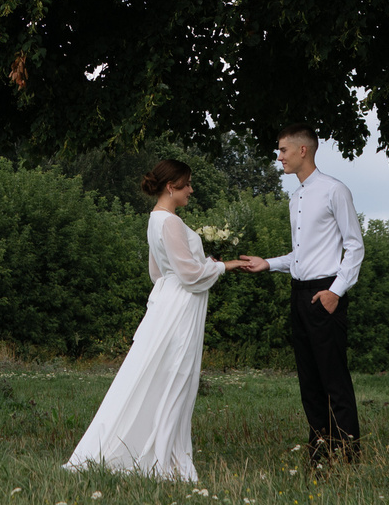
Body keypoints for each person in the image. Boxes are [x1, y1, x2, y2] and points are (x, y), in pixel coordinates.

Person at [63, 158, 225, 482]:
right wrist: (223, 266)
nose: (191, 189)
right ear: (171, 186)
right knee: (174, 378)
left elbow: (157, 272)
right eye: (188, 183)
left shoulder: (155, 220)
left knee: (152, 374)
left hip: (166, 301)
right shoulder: (171, 223)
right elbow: (190, 275)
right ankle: (162, 458)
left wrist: (199, 266)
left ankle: (135, 444)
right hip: (180, 306)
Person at [231, 126, 364, 463]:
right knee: (309, 382)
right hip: (299, 295)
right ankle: (319, 456)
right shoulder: (295, 198)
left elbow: (355, 247)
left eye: (283, 151)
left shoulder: (335, 190)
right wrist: (268, 264)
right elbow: (301, 257)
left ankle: (348, 456)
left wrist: (335, 292)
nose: (279, 158)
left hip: (325, 294)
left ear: (303, 150)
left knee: (334, 380)